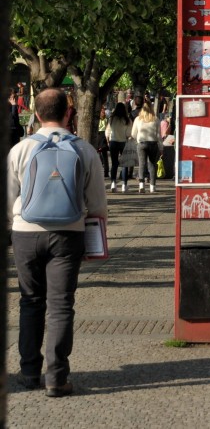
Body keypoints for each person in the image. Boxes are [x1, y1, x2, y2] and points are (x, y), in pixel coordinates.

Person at [7, 87, 108, 397]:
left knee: (30, 301)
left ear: (36, 115)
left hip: (25, 232)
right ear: (68, 112)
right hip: (69, 233)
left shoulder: (20, 149)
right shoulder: (84, 150)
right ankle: (57, 377)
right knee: (61, 304)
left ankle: (28, 372)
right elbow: (97, 204)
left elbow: (8, 198)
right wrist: (94, 239)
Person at [130, 100, 161, 193]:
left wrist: (138, 139)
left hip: (142, 143)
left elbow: (133, 134)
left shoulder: (138, 119)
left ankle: (141, 185)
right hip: (153, 143)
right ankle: (152, 186)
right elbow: (159, 135)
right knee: (152, 165)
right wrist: (161, 147)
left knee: (142, 164)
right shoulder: (155, 119)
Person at [105, 103, 132, 192]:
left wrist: (108, 140)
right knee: (125, 164)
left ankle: (113, 183)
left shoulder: (112, 119)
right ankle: (124, 184)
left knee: (114, 163)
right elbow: (129, 133)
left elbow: (107, 131)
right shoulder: (127, 120)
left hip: (113, 141)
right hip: (123, 142)